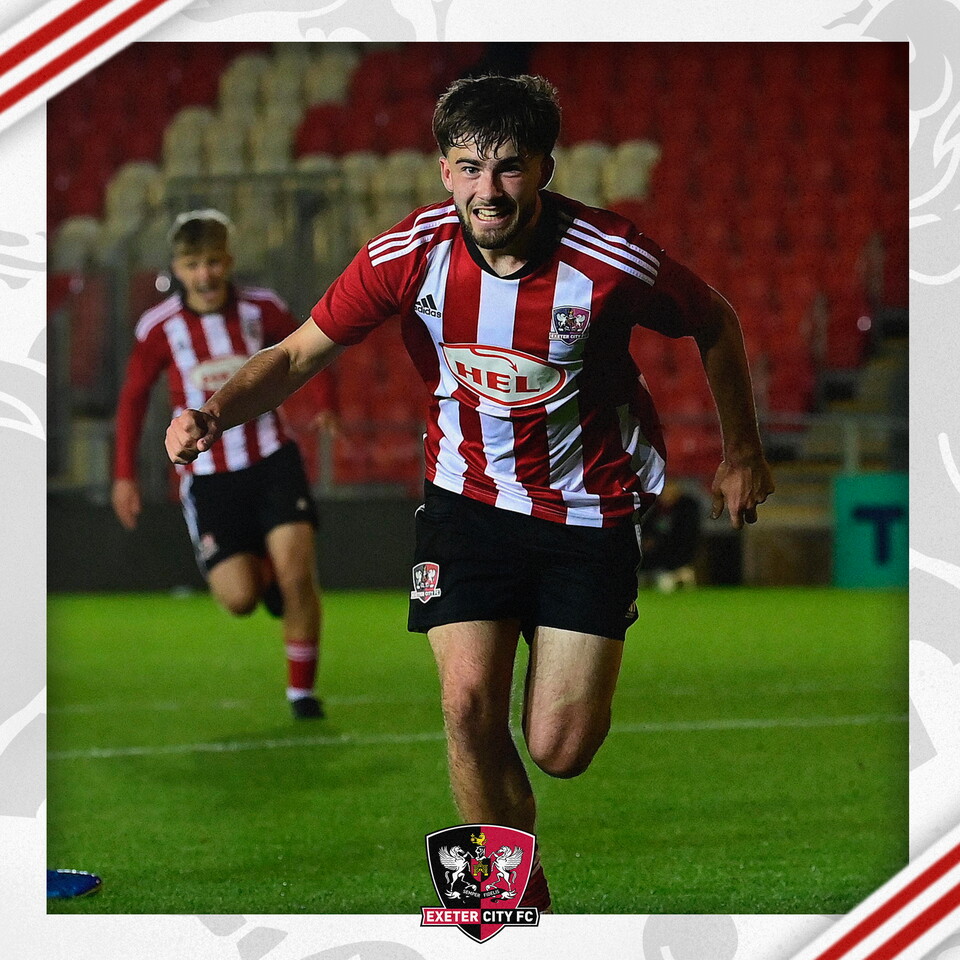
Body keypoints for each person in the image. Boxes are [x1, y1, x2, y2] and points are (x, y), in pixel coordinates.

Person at [165, 76, 774, 910]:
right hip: (466, 502)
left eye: (510, 168)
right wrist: (213, 410)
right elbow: (300, 352)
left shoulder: (612, 259)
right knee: (466, 704)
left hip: (588, 511)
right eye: (470, 167)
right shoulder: (406, 255)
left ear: (546, 170)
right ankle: (509, 903)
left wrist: (741, 448)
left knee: (559, 749)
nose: (489, 190)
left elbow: (716, 320)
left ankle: (508, 888)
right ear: (445, 172)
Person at [114, 209, 337, 720]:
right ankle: (265, 570)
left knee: (299, 574)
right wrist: (124, 474)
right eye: (193, 264)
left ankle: (301, 692)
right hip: (209, 480)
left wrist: (324, 401)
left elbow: (312, 344)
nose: (205, 274)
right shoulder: (158, 328)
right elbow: (132, 400)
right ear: (178, 268)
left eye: (214, 262)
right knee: (237, 599)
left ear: (229, 261)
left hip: (272, 461)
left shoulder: (262, 308)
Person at [640, 479, 702, 591]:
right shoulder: (657, 510)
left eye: (670, 491)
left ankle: (679, 574)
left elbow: (685, 536)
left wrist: (658, 540)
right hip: (657, 560)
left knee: (669, 584)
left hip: (679, 556)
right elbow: (646, 530)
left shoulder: (687, 509)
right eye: (665, 492)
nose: (667, 495)